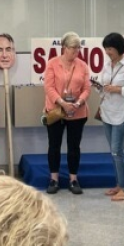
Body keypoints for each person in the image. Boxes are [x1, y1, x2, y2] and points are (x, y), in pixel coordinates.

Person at [43, 31, 91, 195]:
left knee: (74, 147)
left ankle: (73, 179)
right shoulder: (52, 63)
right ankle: (54, 179)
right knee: (54, 146)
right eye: (72, 48)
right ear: (64, 47)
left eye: (78, 48)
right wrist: (63, 103)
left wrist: (77, 103)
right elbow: (48, 87)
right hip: (56, 110)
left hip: (77, 112)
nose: (76, 51)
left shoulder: (83, 66)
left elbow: (86, 89)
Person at [97, 32, 124, 201]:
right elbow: (102, 82)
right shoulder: (106, 65)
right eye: (106, 48)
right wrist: (99, 86)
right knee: (112, 152)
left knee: (117, 152)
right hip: (106, 112)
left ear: (119, 48)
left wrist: (118, 89)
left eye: (110, 48)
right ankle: (119, 184)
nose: (107, 52)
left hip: (121, 114)